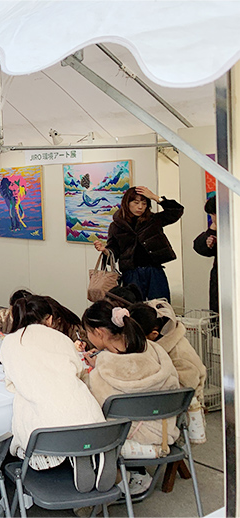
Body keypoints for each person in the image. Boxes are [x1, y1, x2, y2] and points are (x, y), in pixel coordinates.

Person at [0, 296, 106, 490]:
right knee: (73, 404)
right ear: (49, 319)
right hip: (88, 421)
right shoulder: (62, 339)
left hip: (45, 437)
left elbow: (11, 384)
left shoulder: (10, 342)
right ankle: (86, 459)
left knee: (29, 406)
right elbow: (78, 371)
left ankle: (68, 462)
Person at [82, 300, 180, 494]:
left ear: (99, 333)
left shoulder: (104, 371)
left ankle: (117, 479)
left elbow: (94, 404)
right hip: (164, 430)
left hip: (130, 439)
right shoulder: (155, 350)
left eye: (88, 331)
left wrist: (89, 370)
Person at [128, 300, 207, 443]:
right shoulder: (159, 342)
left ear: (153, 334)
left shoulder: (178, 354)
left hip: (177, 408)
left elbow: (184, 389)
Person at [94, 186, 184, 301]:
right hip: (131, 273)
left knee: (161, 308)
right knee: (133, 307)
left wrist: (154, 197)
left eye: (144, 203)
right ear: (127, 203)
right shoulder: (116, 225)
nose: (140, 207)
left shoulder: (153, 220)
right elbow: (114, 249)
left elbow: (176, 211)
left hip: (154, 271)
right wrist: (105, 250)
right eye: (136, 203)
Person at [193, 195, 218, 313]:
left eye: (214, 214)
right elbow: (198, 246)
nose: (214, 218)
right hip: (219, 280)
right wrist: (212, 230)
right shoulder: (217, 230)